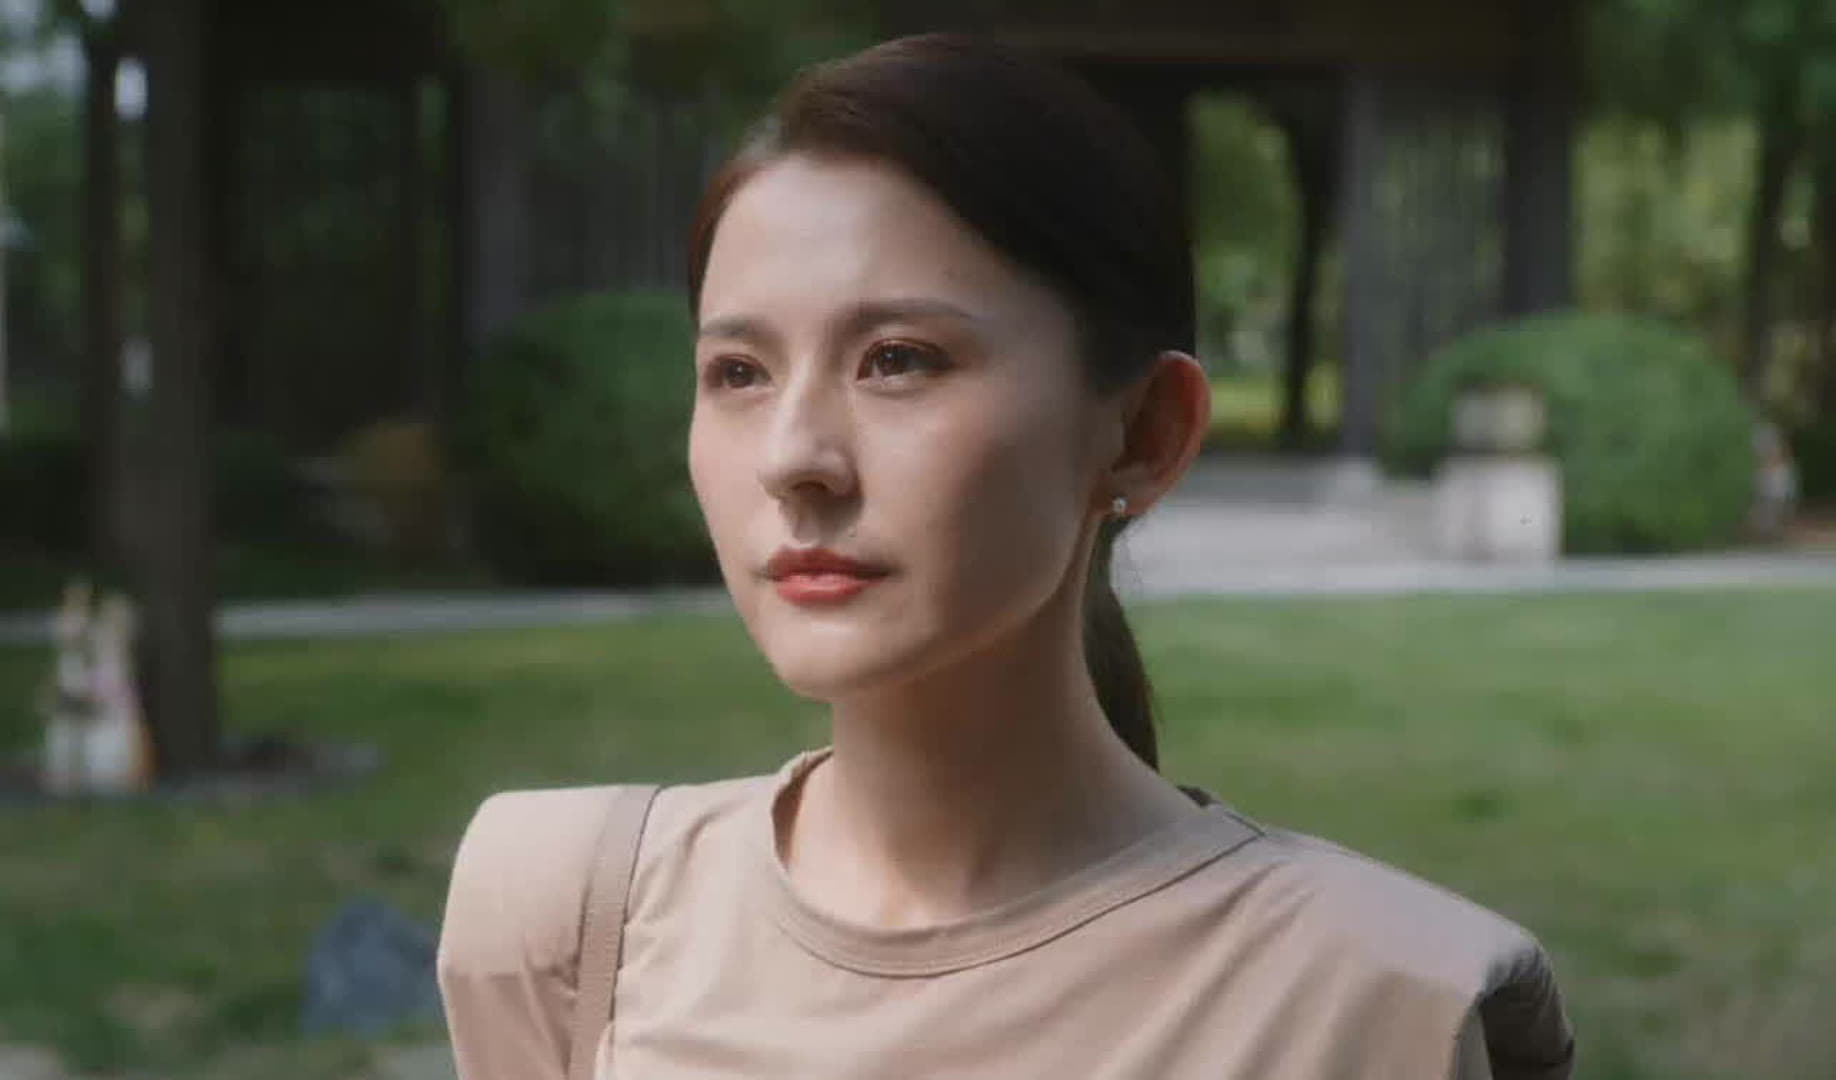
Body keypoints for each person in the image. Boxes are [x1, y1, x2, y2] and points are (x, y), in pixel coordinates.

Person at [437, 33, 1575, 1080]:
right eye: (739, 373)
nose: (793, 460)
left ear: (1144, 432)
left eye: (898, 359)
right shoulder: (570, 924)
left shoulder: (1377, 1005)